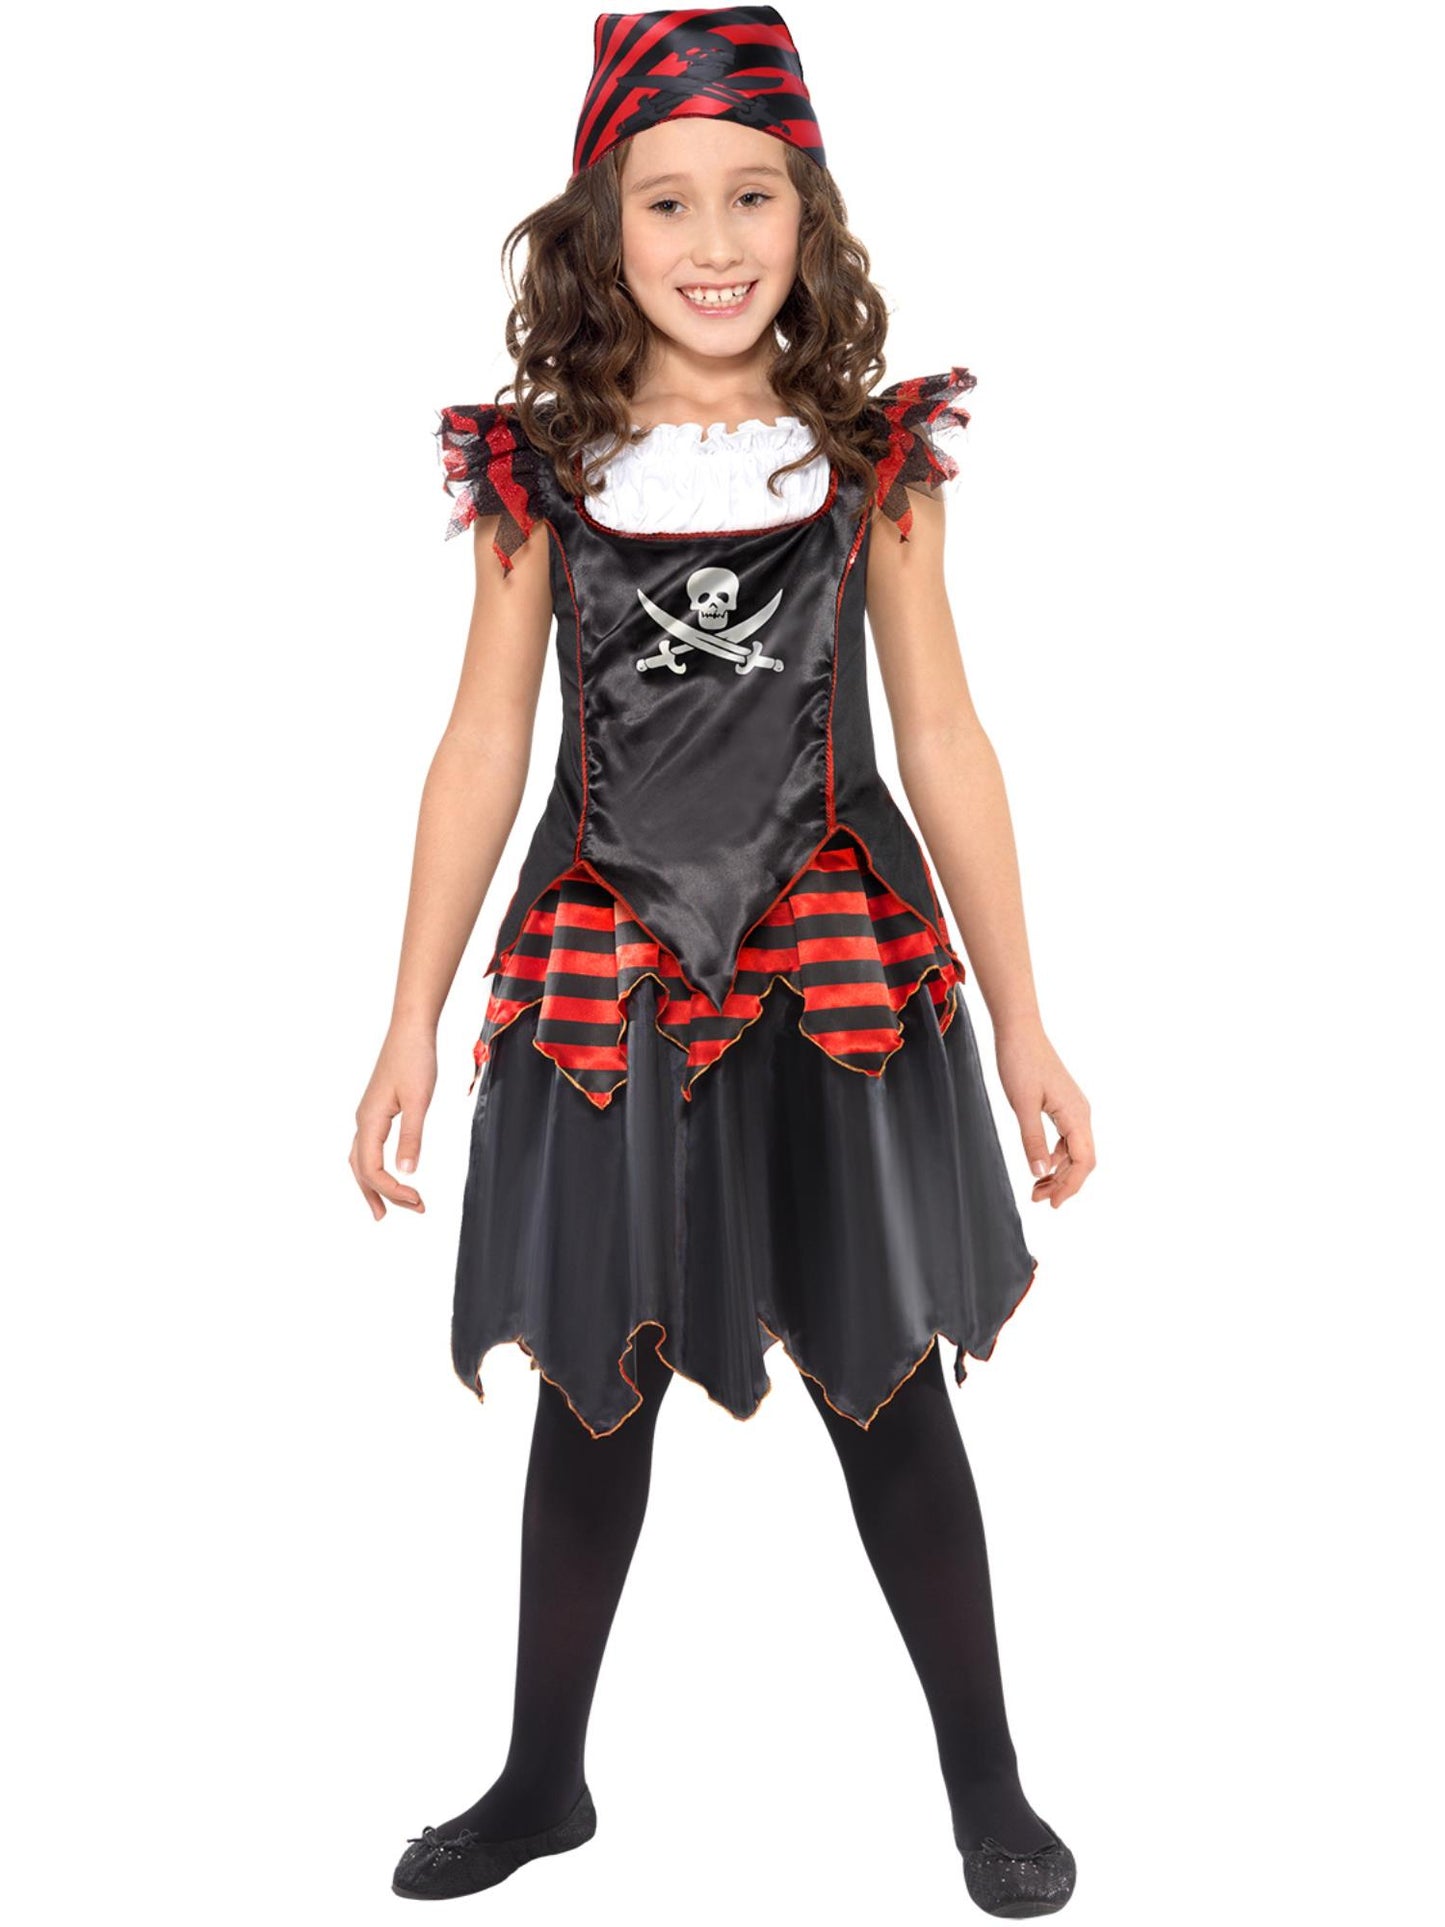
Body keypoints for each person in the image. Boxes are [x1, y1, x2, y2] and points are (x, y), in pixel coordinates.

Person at [350, 8, 1094, 1914]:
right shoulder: (539, 471)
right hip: (606, 966)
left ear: (807, 213)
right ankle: (542, 1779)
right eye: (666, 199)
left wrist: (1025, 1020)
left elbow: (943, 739)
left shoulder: (870, 462)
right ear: (599, 227)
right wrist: (408, 1021)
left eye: (751, 195)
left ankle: (988, 1786)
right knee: (594, 1386)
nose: (713, 238)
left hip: (834, 972)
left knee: (885, 1382)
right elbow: (480, 746)